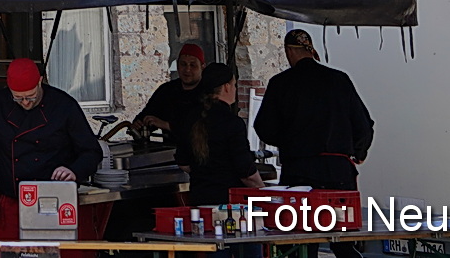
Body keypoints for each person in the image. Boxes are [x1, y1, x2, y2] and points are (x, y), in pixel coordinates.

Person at [253, 30, 374, 258]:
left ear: (289, 51)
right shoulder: (340, 80)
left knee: (301, 241)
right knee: (342, 240)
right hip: (339, 175)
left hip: (300, 176)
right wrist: (359, 151)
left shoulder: (280, 84)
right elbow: (364, 124)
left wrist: (289, 140)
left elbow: (264, 128)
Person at [0, 58, 102, 241]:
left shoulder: (63, 105)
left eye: (30, 96)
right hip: (11, 202)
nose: (25, 102)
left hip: (54, 202)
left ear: (40, 81)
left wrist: (74, 170)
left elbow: (92, 151)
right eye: (18, 98)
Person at [184, 63, 261, 208]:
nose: (235, 89)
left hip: (198, 201)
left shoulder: (190, 119)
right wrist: (264, 192)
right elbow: (246, 173)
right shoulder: (232, 123)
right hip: (229, 205)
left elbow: (184, 163)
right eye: (234, 85)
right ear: (227, 87)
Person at [137, 44, 206, 142]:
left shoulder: (208, 92)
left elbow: (203, 127)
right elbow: (148, 115)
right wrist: (140, 124)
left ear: (202, 67)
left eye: (193, 65)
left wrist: (167, 125)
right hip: (169, 152)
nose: (187, 69)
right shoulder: (167, 91)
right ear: (177, 65)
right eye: (183, 64)